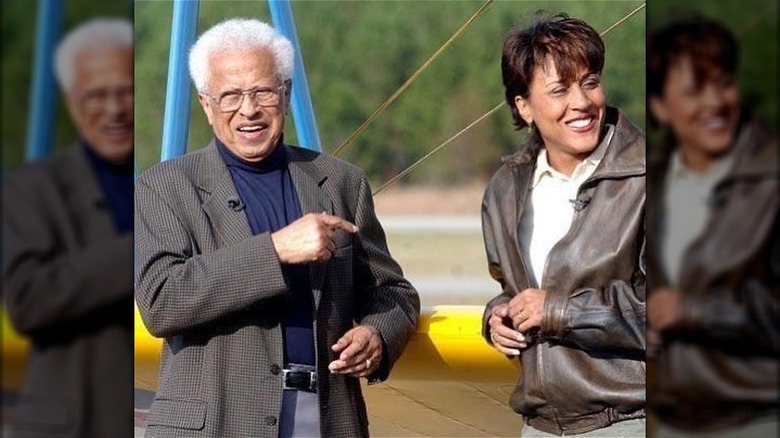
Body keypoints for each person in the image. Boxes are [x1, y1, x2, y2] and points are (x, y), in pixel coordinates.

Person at [134, 18, 420, 438]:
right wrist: (275, 250)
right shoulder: (163, 186)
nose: (248, 109)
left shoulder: (342, 182)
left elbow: (393, 293)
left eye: (262, 92)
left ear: (285, 95)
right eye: (230, 95)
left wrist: (377, 333)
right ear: (205, 103)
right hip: (215, 424)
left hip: (325, 420)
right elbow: (161, 301)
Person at [481, 14, 646, 437]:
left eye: (589, 82)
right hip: (539, 425)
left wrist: (556, 310)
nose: (582, 102)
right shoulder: (503, 190)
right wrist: (498, 317)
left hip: (629, 420)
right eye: (559, 90)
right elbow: (516, 288)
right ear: (524, 106)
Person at [646, 16, 779, 438]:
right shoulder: (650, 182)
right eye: (693, 90)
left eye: (723, 83)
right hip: (675, 420)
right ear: (660, 107)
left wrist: (691, 311)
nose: (715, 102)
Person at [2, 18, 134, 437]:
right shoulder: (31, 188)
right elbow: (28, 300)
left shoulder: (166, 181)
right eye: (97, 95)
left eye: (126, 92)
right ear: (72, 103)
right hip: (69, 425)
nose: (114, 109)